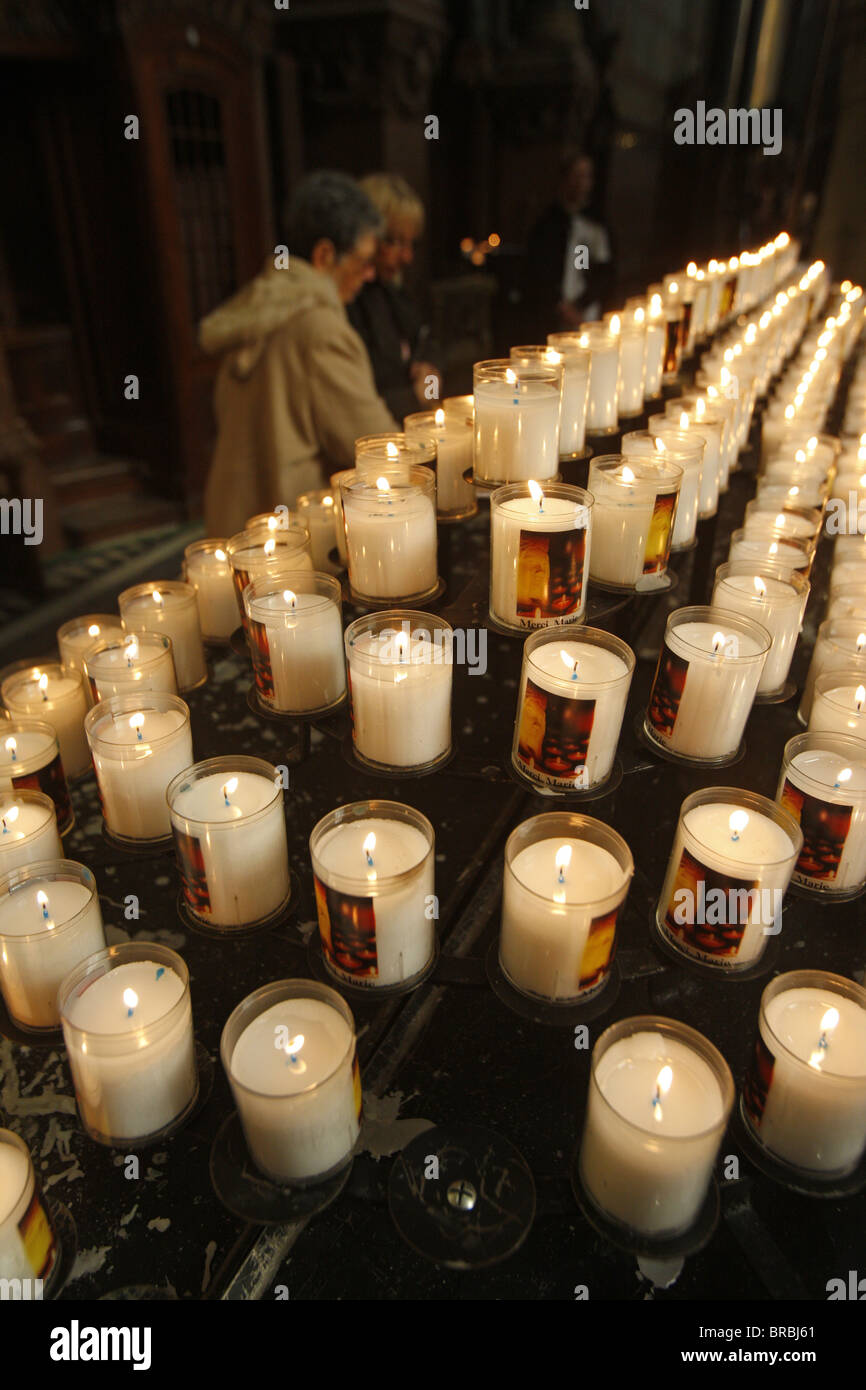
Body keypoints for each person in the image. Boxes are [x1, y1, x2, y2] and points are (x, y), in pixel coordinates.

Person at [200, 171, 396, 537]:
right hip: (292, 528)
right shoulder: (319, 328)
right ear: (325, 255)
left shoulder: (255, 306)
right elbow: (374, 444)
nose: (370, 275)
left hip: (232, 518)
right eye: (364, 260)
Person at [347, 174, 441, 420]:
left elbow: (424, 340)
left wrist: (428, 371)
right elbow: (353, 403)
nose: (407, 257)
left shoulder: (392, 291)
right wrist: (414, 397)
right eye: (395, 242)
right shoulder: (345, 302)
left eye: (410, 243)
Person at [525, 152, 615, 337]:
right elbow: (538, 270)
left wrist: (581, 305)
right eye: (577, 176)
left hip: (586, 313)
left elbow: (602, 271)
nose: (581, 183)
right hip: (551, 316)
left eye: (586, 176)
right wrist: (560, 305)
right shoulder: (548, 224)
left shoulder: (595, 223)